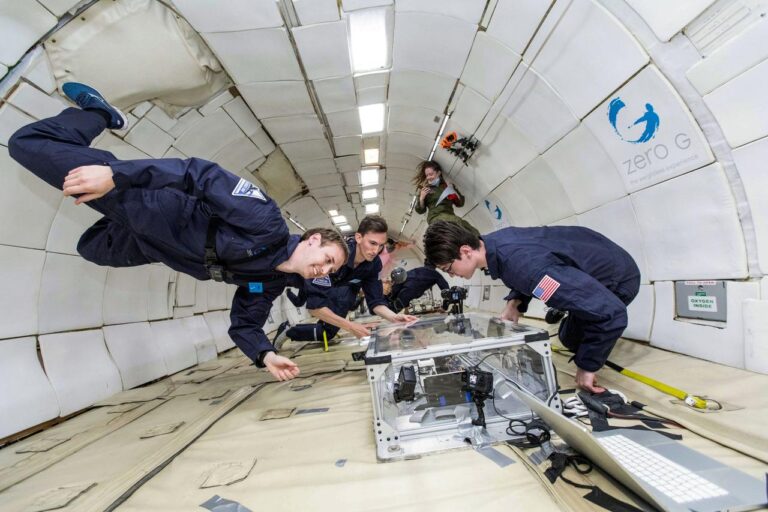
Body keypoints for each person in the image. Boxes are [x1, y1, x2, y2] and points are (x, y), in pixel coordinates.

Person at [8, 82, 349, 382]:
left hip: (152, 245)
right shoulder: (264, 221)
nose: (325, 269)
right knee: (26, 143)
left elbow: (245, 324)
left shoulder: (266, 282)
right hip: (150, 205)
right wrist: (115, 175)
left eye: (330, 270)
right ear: (313, 239)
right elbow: (199, 174)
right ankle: (99, 114)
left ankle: (95, 163)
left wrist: (266, 355)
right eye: (327, 259)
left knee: (91, 247)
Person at [423, 221, 640, 393]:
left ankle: (573, 308)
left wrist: (587, 367)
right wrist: (515, 303)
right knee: (568, 337)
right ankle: (573, 306)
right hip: (593, 252)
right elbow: (527, 265)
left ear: (466, 250)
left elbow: (613, 314)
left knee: (580, 338)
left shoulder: (527, 269)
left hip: (617, 279)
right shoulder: (494, 244)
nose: (452, 275)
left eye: (449, 268)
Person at [273, 216, 418, 347]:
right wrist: (351, 326)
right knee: (256, 286)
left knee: (328, 330)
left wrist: (394, 317)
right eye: (372, 243)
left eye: (381, 245)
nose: (376, 250)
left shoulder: (373, 265)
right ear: (358, 237)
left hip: (307, 285)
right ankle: (288, 330)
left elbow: (376, 302)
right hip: (282, 275)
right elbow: (315, 307)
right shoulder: (337, 256)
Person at [413, 160, 479, 236]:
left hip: (449, 216)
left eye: (431, 174)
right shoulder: (425, 190)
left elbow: (460, 204)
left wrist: (453, 189)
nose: (428, 177)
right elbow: (420, 211)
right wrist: (421, 198)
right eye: (427, 175)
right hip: (435, 217)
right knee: (457, 221)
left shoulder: (446, 187)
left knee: (467, 227)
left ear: (438, 173)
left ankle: (480, 241)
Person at [385, 264, 449, 313]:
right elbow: (447, 292)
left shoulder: (421, 269)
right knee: (396, 306)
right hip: (413, 287)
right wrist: (445, 308)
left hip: (408, 280)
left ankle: (382, 307)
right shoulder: (436, 275)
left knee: (392, 298)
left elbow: (397, 287)